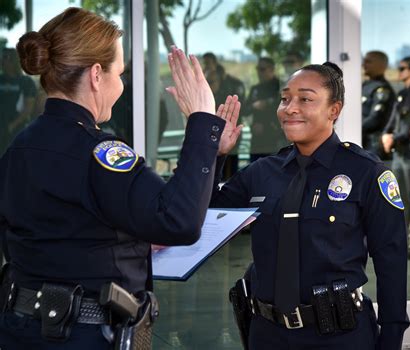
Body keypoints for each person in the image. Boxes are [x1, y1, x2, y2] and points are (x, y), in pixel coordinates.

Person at [0, 7, 229, 349]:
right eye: (119, 74)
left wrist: (130, 242)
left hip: (22, 328)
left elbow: (59, 231)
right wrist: (201, 121)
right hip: (82, 335)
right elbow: (179, 220)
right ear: (96, 75)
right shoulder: (99, 152)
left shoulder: (20, 147)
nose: (121, 85)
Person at [211, 63, 409, 349]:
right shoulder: (262, 171)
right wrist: (214, 155)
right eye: (284, 98)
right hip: (267, 334)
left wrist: (391, 339)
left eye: (305, 99)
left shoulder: (367, 173)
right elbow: (205, 212)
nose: (290, 108)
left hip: (340, 337)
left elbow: (392, 262)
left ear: (334, 110)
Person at [381, 57, 410, 258]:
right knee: (398, 200)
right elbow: (393, 120)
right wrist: (386, 134)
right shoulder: (401, 95)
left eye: (402, 69)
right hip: (398, 154)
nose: (399, 72)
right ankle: (400, 242)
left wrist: (394, 137)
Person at [203, 52, 245, 178]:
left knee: (229, 166)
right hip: (210, 134)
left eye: (208, 63)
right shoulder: (208, 84)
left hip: (229, 131)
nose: (206, 66)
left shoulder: (229, 86)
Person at [243, 57, 286, 162]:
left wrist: (268, 104)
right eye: (258, 69)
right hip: (256, 141)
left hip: (275, 140)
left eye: (262, 69)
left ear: (271, 69)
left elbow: (285, 112)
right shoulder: (255, 89)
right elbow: (244, 110)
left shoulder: (281, 87)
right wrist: (254, 106)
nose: (259, 72)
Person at [0, 48, 37, 156]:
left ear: (15, 60)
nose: (3, 61)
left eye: (6, 58)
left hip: (16, 130)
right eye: (2, 57)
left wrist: (11, 126)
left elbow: (27, 109)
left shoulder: (26, 82)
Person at [362, 51, 395, 160]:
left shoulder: (382, 89)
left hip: (373, 144)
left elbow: (375, 118)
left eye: (368, 62)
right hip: (361, 140)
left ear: (381, 65)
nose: (363, 64)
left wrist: (355, 128)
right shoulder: (365, 85)